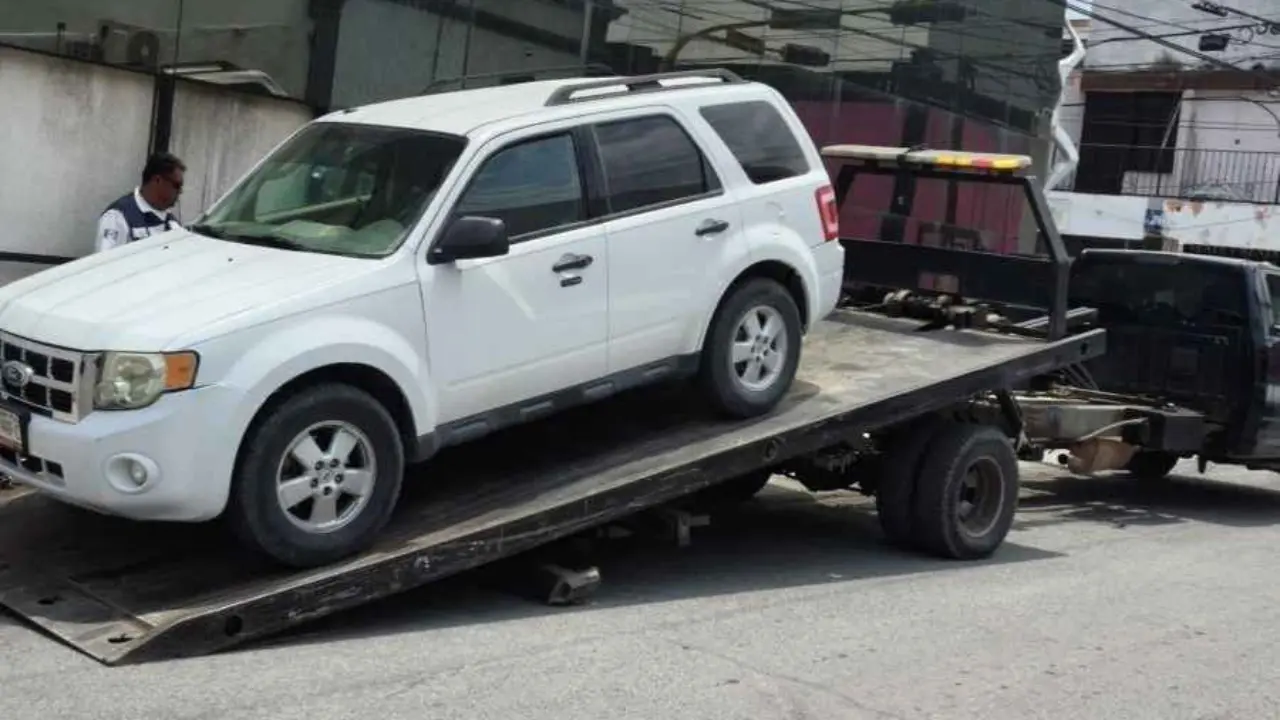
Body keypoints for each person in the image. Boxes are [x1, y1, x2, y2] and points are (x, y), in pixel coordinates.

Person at [96, 152, 186, 253]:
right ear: (157, 180)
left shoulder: (172, 223)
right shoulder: (117, 216)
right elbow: (106, 263)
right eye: (177, 185)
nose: (180, 191)